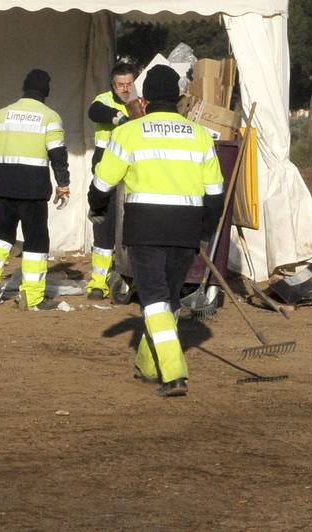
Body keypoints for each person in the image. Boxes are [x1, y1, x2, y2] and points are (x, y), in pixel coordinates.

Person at [88, 65, 224, 398]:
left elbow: (103, 182)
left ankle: (174, 373)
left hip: (146, 227)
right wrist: (205, 231)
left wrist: (97, 207)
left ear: (144, 100)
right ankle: (149, 365)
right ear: (178, 100)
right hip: (186, 228)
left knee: (153, 300)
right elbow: (216, 194)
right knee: (170, 300)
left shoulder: (129, 133)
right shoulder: (201, 135)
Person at [0, 69, 71, 311]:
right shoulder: (50, 117)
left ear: (24, 87)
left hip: (5, 189)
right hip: (34, 192)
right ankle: (33, 296)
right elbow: (58, 154)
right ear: (46, 90)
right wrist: (63, 185)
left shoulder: (1, 114)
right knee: (36, 242)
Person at [84, 62, 146, 299]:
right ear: (113, 85)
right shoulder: (103, 100)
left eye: (129, 84)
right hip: (107, 173)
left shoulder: (142, 104)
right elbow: (94, 112)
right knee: (104, 228)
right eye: (120, 85)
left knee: (133, 230)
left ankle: (134, 279)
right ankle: (98, 282)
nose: (125, 89)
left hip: (134, 175)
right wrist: (120, 119)